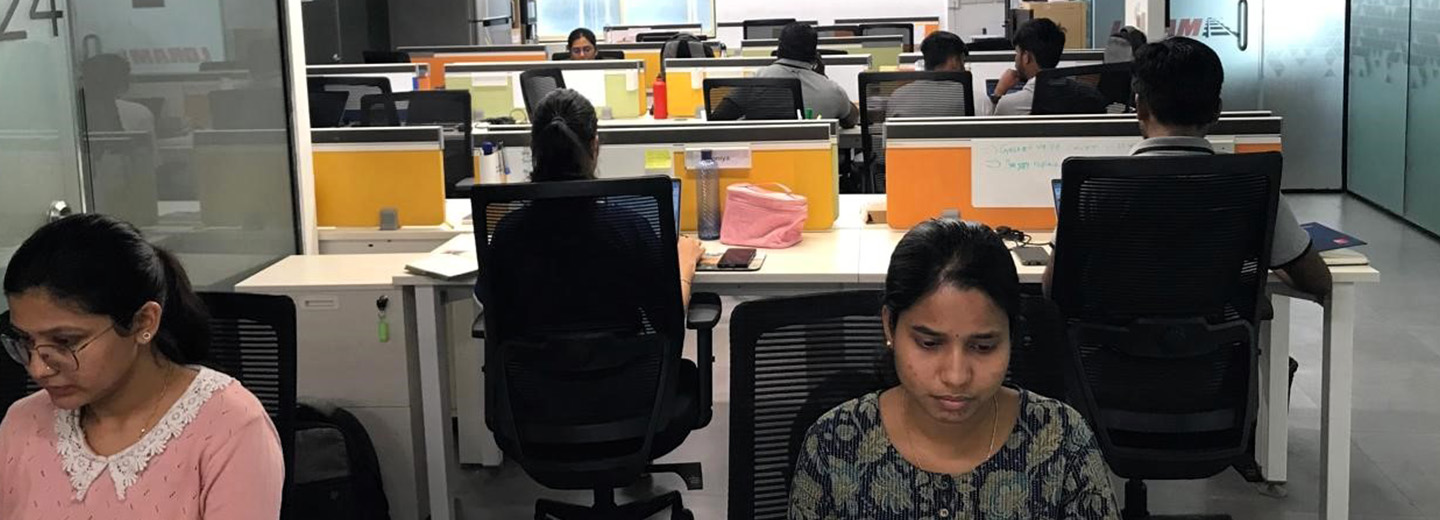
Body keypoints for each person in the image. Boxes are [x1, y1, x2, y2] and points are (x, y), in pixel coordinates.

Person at [789, 219, 1119, 519]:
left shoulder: (1062, 440)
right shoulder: (834, 444)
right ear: (890, 326)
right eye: (929, 344)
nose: (956, 376)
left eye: (983, 347)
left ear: (1012, 335)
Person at [0, 214, 283, 519]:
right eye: (26, 340)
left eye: (65, 341)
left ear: (143, 322)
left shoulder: (230, 427)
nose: (38, 369)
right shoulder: (23, 421)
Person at [1043, 37, 1332, 301]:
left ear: (1139, 108)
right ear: (1217, 110)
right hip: (1218, 342)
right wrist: (1268, 262)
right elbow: (1317, 280)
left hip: (1110, 343)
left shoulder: (1092, 187)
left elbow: (1052, 287)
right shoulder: (1254, 184)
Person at [481, 88, 705, 312]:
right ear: (595, 146)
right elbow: (668, 315)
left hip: (534, 337)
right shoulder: (628, 228)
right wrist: (685, 263)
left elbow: (491, 306)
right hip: (618, 337)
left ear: (533, 149)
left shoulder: (507, 233)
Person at [750, 22, 860, 128]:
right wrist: (823, 78)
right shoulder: (832, 90)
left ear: (779, 49)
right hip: (814, 142)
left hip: (766, 141)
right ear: (815, 55)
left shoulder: (757, 79)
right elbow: (851, 120)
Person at [885, 30, 972, 119]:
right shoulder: (971, 98)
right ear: (954, 61)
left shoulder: (897, 97)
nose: (964, 67)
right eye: (962, 60)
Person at [991, 18, 1066, 116]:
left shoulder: (1009, 105)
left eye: (1017, 53)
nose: (1016, 58)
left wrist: (998, 94)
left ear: (1026, 57)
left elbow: (992, 124)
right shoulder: (1078, 94)